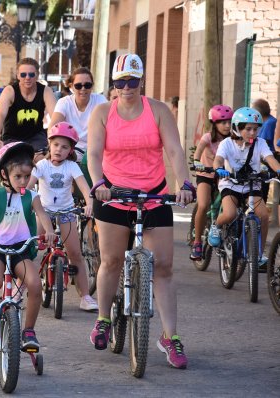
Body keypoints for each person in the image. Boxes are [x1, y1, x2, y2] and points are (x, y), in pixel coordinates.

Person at [87, 53, 194, 369]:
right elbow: (93, 153)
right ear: (114, 84)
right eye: (120, 82)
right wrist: (98, 183)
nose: (127, 87)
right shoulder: (103, 113)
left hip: (153, 195)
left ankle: (170, 337)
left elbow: (174, 150)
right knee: (111, 261)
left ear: (141, 81)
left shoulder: (158, 110)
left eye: (132, 81)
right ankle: (104, 318)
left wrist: (185, 184)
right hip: (114, 195)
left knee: (163, 267)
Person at [0, 141, 56, 351]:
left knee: (34, 284)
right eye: (18, 176)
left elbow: (42, 215)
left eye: (27, 176)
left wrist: (49, 231)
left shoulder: (32, 197)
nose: (23, 181)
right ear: (4, 174)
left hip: (22, 249)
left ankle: (29, 331)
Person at [26, 122, 97, 311]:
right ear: (50, 144)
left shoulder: (71, 166)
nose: (59, 149)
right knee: (30, 250)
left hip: (66, 212)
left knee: (75, 253)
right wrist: (23, 198)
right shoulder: (41, 165)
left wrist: (90, 203)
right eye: (56, 144)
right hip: (44, 212)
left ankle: (86, 296)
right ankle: (18, 291)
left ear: (70, 150)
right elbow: (29, 185)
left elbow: (83, 186)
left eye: (65, 147)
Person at [207, 107, 280, 267]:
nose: (253, 132)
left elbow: (270, 158)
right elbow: (218, 159)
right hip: (230, 184)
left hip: (251, 184)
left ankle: (259, 254)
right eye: (248, 129)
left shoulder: (260, 143)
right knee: (230, 213)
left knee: (263, 216)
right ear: (237, 127)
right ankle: (216, 225)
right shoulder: (227, 143)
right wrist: (219, 169)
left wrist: (279, 170)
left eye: (256, 129)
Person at [48, 66, 108, 187]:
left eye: (87, 85)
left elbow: (110, 125)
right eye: (78, 86)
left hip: (95, 152)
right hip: (70, 152)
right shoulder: (64, 102)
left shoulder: (100, 100)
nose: (83, 89)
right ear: (71, 86)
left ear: (92, 86)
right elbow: (53, 127)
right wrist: (55, 149)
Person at [0, 58, 57, 163]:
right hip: (12, 137)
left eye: (31, 74)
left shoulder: (46, 91)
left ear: (37, 75)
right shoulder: (9, 91)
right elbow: (0, 116)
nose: (27, 78)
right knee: (14, 165)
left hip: (36, 137)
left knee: (42, 162)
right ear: (18, 75)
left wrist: (53, 138)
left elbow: (55, 117)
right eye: (23, 75)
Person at [190, 105, 233, 260]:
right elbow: (198, 152)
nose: (227, 125)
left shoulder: (233, 138)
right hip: (206, 174)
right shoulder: (208, 137)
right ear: (214, 123)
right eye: (223, 122)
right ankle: (197, 243)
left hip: (223, 176)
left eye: (229, 122)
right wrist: (197, 162)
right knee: (203, 204)